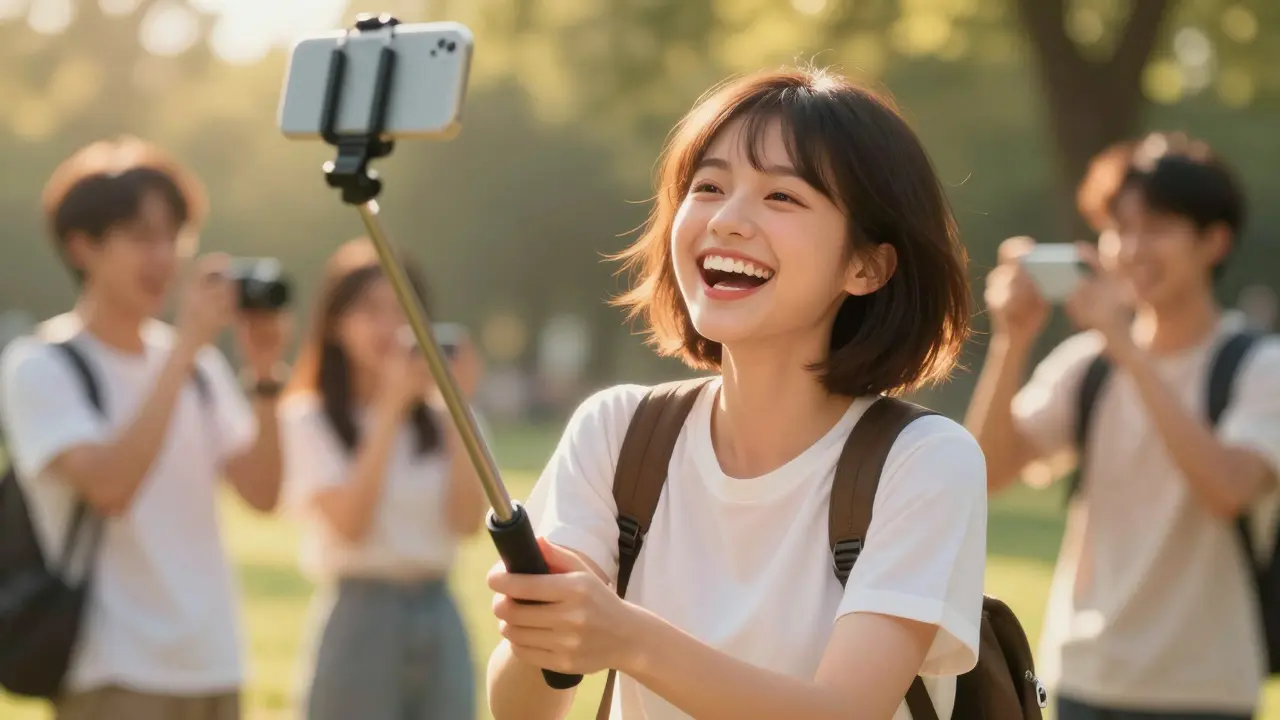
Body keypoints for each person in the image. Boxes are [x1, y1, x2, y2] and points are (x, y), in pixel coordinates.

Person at [485, 67, 987, 720]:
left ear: (866, 266)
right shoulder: (615, 431)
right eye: (709, 186)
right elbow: (524, 711)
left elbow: (843, 711)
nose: (727, 220)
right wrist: (542, 626)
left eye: (782, 198)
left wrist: (628, 637)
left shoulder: (925, 462)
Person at [966, 131, 1280, 720]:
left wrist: (1124, 345)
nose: (1131, 249)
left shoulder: (1260, 368)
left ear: (1214, 240)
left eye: (1156, 227)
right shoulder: (1087, 366)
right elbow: (982, 474)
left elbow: (1227, 490)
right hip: (1085, 674)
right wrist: (1014, 340)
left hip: (1204, 689)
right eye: (1118, 228)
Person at [0, 136, 291, 719]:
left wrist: (263, 375)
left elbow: (262, 493)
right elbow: (111, 487)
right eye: (141, 237)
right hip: (113, 672)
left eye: (174, 237)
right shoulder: (41, 365)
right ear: (82, 247)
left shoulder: (199, 367)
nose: (165, 257)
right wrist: (184, 348)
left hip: (215, 664)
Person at [278, 238, 488, 720]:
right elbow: (350, 524)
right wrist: (389, 408)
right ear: (334, 322)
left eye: (402, 310)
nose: (389, 327)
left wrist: (459, 408)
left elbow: (466, 522)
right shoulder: (309, 420)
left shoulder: (445, 418)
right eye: (370, 309)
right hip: (361, 612)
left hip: (440, 609)